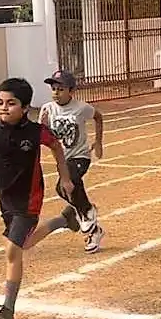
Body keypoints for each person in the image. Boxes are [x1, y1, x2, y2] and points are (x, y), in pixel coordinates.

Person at [0, 78, 77, 319]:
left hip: (29, 199)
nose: (4, 108)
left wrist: (65, 177)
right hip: (5, 199)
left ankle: (7, 309)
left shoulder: (35, 132)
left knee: (12, 251)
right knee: (24, 244)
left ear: (25, 107)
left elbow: (56, 147)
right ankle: (62, 220)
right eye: (0, 102)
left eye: (11, 103)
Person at [38, 70, 105, 254]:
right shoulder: (47, 109)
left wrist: (98, 142)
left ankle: (87, 212)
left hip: (80, 156)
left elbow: (98, 117)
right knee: (61, 189)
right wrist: (42, 127)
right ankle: (93, 227)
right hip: (62, 159)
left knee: (71, 181)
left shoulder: (81, 108)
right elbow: (45, 138)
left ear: (71, 90)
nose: (56, 93)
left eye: (60, 89)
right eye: (53, 89)